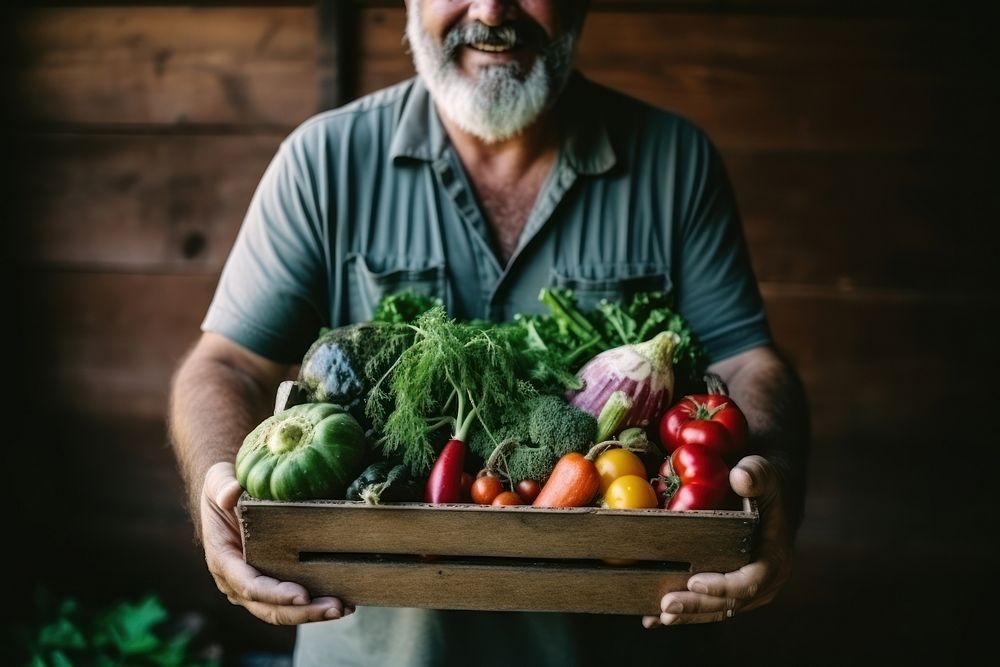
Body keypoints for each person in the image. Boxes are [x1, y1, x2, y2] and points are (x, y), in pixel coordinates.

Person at [168, 0, 809, 664]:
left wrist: (780, 478)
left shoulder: (674, 162)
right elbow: (227, 363)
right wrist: (218, 489)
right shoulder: (324, 161)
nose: (492, 10)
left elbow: (748, 362)